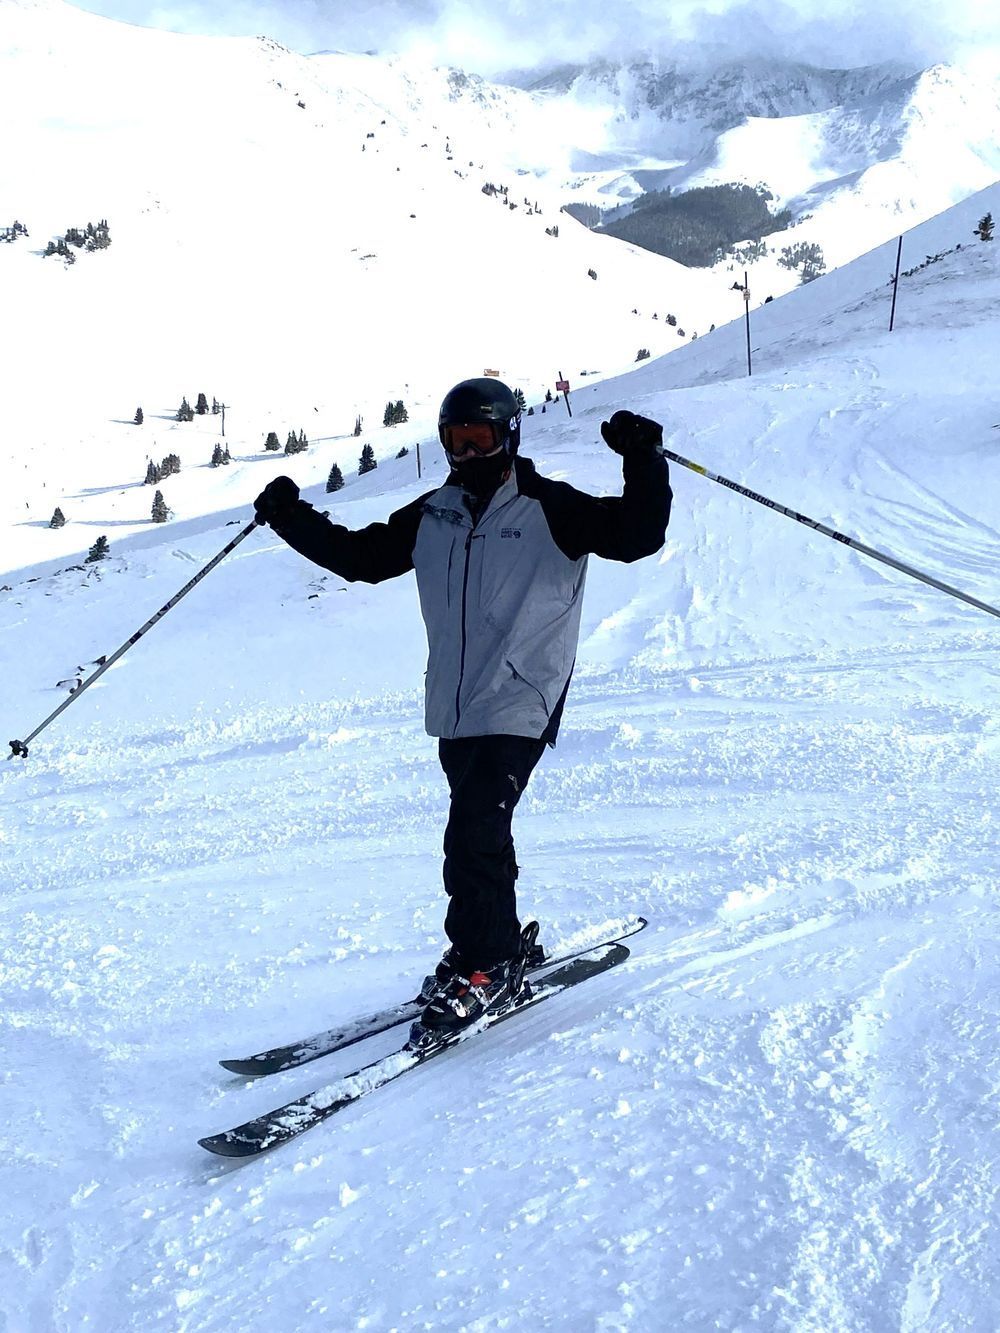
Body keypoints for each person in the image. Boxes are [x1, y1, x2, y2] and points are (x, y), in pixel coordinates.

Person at [254, 378, 671, 1043]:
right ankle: (492, 942)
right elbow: (362, 558)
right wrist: (289, 516)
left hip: (523, 694)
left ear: (508, 436)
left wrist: (644, 459)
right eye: (456, 440)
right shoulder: (435, 513)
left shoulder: (549, 507)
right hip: (456, 704)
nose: (469, 454)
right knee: (478, 832)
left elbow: (638, 533)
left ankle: (488, 963)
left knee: (474, 827)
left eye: (481, 439)